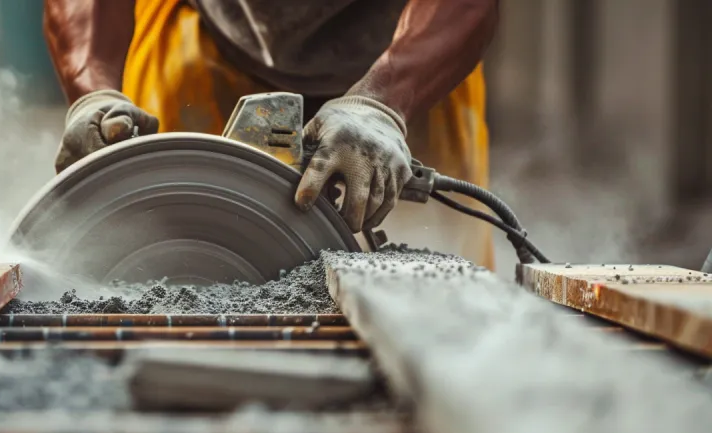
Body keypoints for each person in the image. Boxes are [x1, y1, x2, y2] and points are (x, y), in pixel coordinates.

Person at [44, 0, 499, 269]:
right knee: (152, 254)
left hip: (409, 59)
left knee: (444, 294)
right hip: (211, 41)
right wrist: (95, 91)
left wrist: (382, 105)